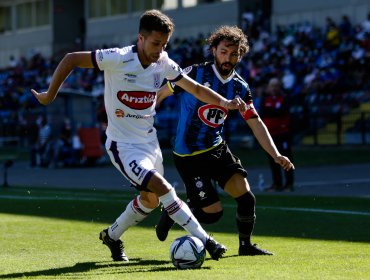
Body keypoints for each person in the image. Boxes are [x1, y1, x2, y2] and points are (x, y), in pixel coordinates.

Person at [31, 10, 245, 262]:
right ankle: (207, 240)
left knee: (151, 200)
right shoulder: (118, 58)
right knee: (163, 187)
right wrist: (49, 95)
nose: (159, 50)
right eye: (155, 43)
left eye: (164, 44)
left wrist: (226, 102)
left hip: (149, 143)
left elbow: (196, 88)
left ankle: (111, 236)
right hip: (123, 146)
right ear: (140, 38)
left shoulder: (163, 62)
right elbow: (70, 59)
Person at [155, 25, 295, 256]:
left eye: (234, 53)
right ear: (213, 49)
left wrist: (276, 154)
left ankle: (245, 246)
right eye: (223, 52)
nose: (228, 58)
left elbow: (256, 122)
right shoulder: (194, 73)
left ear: (241, 54)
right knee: (212, 214)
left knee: (246, 197)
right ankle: (174, 210)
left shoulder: (240, 87)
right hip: (189, 155)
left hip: (216, 148)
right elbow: (162, 93)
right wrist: (145, 116)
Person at [260, 78, 294, 192]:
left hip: (283, 134)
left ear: (280, 87)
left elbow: (282, 112)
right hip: (270, 136)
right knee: (273, 159)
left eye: (276, 86)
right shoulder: (265, 100)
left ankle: (289, 184)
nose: (274, 88)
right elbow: (264, 113)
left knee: (286, 158)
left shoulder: (285, 99)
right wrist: (274, 112)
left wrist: (272, 112)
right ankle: (277, 184)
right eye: (272, 86)